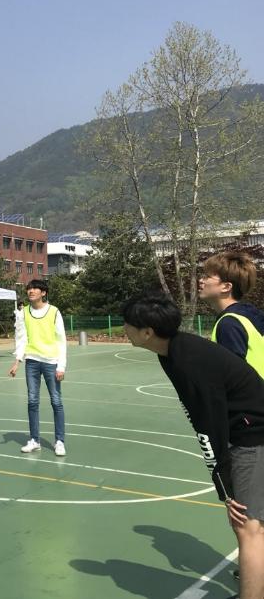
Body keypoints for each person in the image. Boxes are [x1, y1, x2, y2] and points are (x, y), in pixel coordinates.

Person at [122, 293, 264, 599]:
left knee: (247, 527)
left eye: (128, 324)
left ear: (147, 332)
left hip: (252, 435)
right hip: (246, 429)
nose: (124, 328)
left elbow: (209, 425)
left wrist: (224, 486)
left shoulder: (188, 360)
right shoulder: (172, 352)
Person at [9, 279, 68, 456]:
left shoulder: (54, 311)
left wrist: (61, 366)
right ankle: (34, 440)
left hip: (51, 362)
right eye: (29, 288)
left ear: (43, 293)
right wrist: (17, 361)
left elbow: (61, 340)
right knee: (32, 401)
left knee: (56, 401)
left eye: (35, 288)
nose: (31, 291)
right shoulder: (23, 313)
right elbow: (21, 338)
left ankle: (59, 441)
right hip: (32, 362)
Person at [199, 250, 264, 378]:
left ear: (226, 287)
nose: (201, 280)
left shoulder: (229, 324)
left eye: (207, 276)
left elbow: (234, 379)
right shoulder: (251, 315)